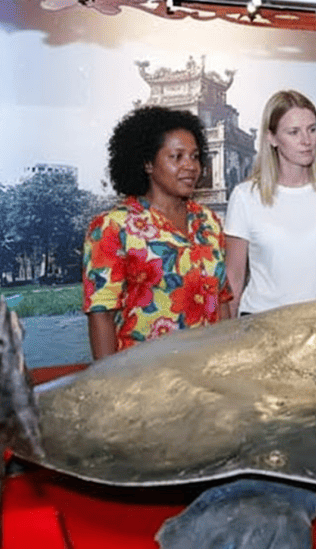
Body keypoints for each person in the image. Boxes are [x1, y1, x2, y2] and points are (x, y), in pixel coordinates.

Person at [83, 106, 232, 359]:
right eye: (177, 157)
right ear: (148, 163)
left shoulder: (208, 222)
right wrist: (109, 387)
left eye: (195, 156)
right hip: (144, 381)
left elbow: (223, 300)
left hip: (208, 377)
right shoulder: (113, 227)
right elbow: (101, 315)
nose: (191, 166)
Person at [224, 89, 316, 317]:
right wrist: (227, 337)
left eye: (312, 129)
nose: (307, 141)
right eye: (294, 132)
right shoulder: (245, 196)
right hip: (262, 326)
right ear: (272, 138)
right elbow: (234, 278)